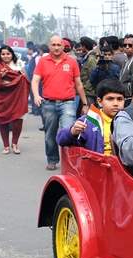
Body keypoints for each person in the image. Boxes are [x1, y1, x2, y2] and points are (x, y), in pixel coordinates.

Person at [32, 35, 88, 170]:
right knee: (50, 134)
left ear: (64, 46)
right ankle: (52, 159)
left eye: (59, 45)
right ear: (49, 46)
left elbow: (79, 84)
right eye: (54, 45)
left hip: (68, 103)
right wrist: (36, 95)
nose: (56, 48)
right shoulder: (43, 61)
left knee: (69, 132)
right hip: (48, 104)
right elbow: (35, 80)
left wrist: (85, 103)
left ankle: (69, 161)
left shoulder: (72, 62)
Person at [57, 79, 126, 155]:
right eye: (110, 99)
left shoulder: (129, 121)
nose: (115, 103)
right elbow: (61, 139)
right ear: (99, 101)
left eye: (120, 99)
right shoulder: (89, 121)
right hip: (95, 165)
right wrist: (72, 132)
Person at [0, 45, 30, 155]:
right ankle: (6, 146)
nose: (6, 56)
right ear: (0, 55)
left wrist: (19, 77)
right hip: (2, 98)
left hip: (17, 97)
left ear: (12, 54)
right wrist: (0, 76)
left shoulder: (18, 64)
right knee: (3, 121)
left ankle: (15, 144)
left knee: (17, 121)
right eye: (3, 54)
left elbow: (25, 79)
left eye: (8, 54)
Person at [119, 34, 133, 106]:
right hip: (124, 96)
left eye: (130, 45)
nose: (127, 47)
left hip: (130, 98)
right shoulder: (126, 60)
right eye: (125, 45)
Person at [79, 36, 98, 108]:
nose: (80, 48)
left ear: (84, 46)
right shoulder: (87, 57)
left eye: (81, 46)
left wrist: (86, 86)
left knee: (90, 115)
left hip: (89, 92)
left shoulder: (91, 59)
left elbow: (93, 76)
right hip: (86, 91)